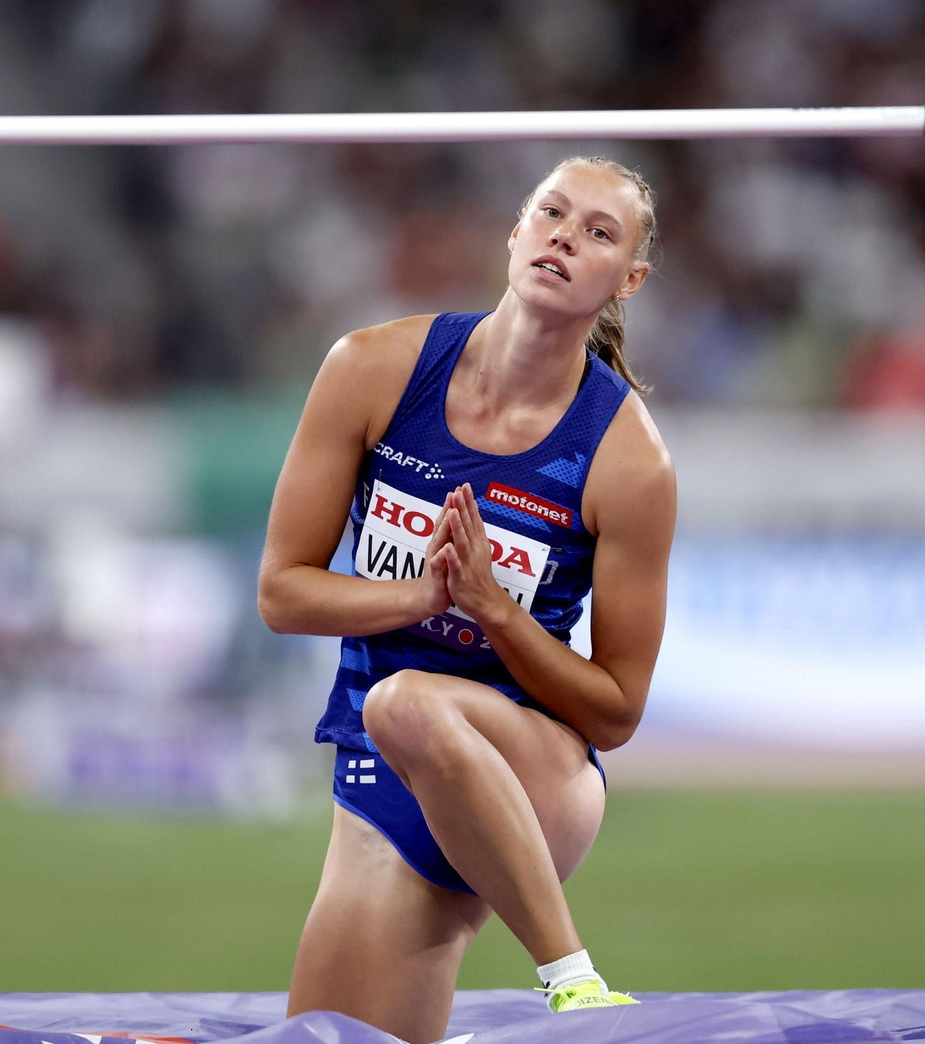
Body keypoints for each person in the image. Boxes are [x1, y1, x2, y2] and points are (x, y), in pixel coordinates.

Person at [258, 155, 676, 1044]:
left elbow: (616, 711)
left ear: (628, 281)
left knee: (407, 702)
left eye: (598, 232)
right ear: (516, 230)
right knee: (336, 1038)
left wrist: (496, 611)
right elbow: (283, 595)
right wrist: (423, 595)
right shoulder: (372, 367)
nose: (566, 235)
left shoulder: (628, 459)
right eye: (552, 213)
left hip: (530, 776)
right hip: (378, 769)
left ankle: (572, 976)